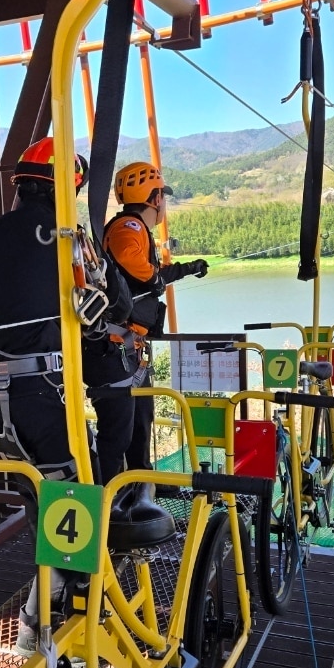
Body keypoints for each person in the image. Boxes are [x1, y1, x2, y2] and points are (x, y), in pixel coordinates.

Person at [0, 137, 130, 655]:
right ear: (65, 187)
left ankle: (51, 601)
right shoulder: (68, 239)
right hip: (43, 396)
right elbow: (111, 305)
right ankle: (44, 628)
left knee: (43, 501)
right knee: (83, 496)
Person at [98, 162, 208, 479]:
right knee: (120, 428)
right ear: (155, 198)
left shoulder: (134, 228)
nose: (164, 204)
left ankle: (142, 483)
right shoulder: (128, 227)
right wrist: (152, 278)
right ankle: (111, 495)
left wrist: (188, 268)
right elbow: (129, 258)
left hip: (129, 346)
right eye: (163, 196)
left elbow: (152, 276)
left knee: (141, 418)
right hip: (118, 346)